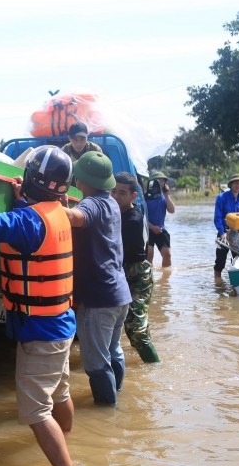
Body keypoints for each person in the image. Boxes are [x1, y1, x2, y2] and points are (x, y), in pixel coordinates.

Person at [0, 145, 76, 466]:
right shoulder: (56, 212)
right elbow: (29, 223)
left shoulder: (27, 221)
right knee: (59, 394)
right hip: (61, 325)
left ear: (32, 178)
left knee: (36, 411)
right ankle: (68, 443)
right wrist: (23, 200)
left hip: (41, 332)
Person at [62, 151, 131, 406]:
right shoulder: (112, 202)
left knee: (96, 363)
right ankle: (117, 398)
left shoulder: (91, 203)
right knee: (114, 352)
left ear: (83, 181)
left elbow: (76, 217)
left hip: (98, 299)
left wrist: (43, 203)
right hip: (119, 294)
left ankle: (106, 416)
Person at [111, 172, 161, 364]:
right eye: (113, 191)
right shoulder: (115, 212)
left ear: (133, 196)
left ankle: (155, 369)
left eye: (122, 193)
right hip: (120, 272)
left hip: (138, 276)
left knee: (136, 330)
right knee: (128, 326)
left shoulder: (132, 219)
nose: (116, 196)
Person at [214, 173, 239, 275]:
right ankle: (218, 284)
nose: (238, 185)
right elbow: (217, 218)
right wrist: (222, 233)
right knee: (220, 263)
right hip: (224, 233)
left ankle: (235, 284)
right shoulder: (221, 198)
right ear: (231, 184)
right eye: (236, 183)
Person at [145, 171, 175, 268]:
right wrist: (152, 227)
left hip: (161, 229)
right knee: (149, 254)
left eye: (162, 181)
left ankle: (165, 280)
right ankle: (150, 277)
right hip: (147, 229)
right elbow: (141, 216)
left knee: (167, 254)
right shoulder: (145, 196)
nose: (160, 183)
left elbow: (172, 210)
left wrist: (167, 195)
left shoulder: (164, 197)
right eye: (158, 181)